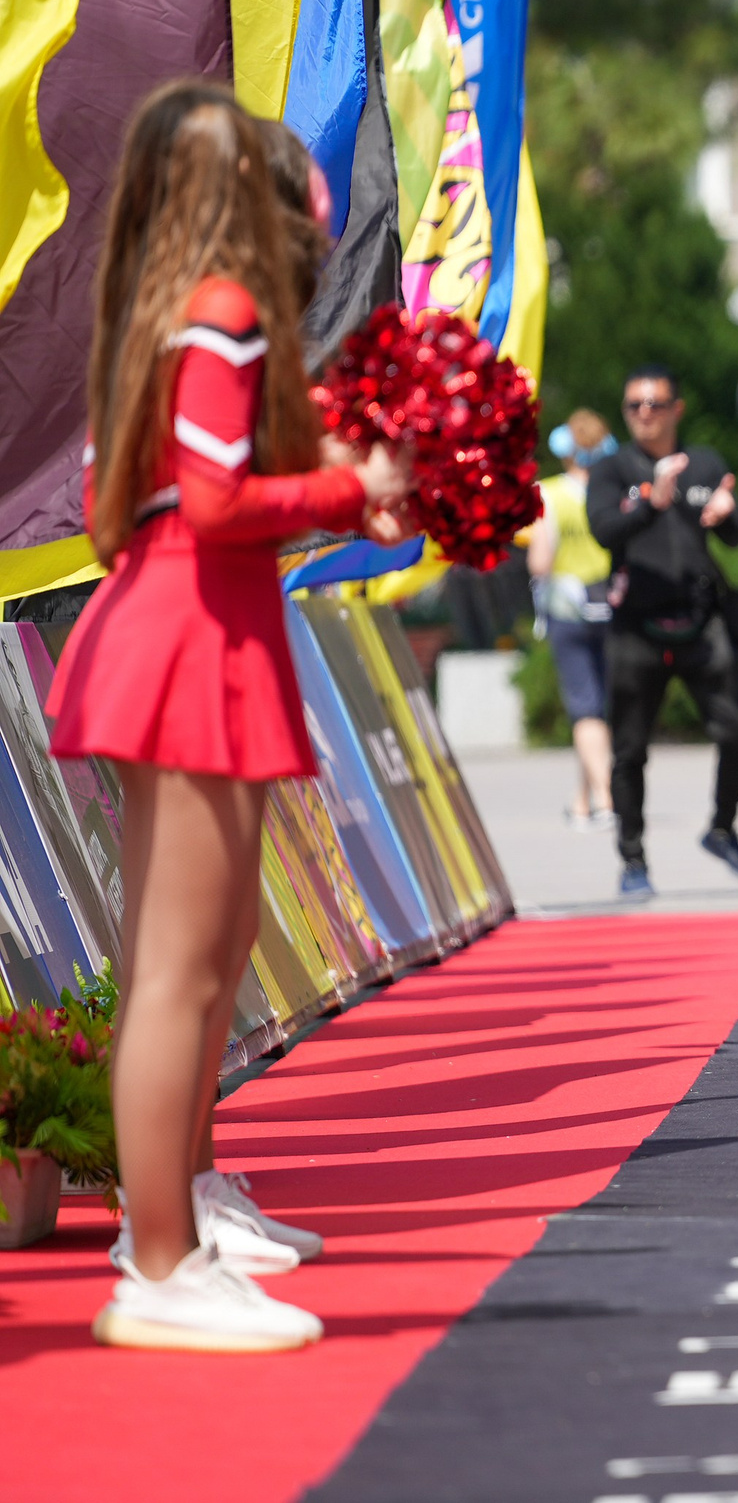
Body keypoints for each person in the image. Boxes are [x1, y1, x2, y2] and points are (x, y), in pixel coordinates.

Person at [47, 86, 410, 1349]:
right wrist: (344, 480)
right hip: (195, 636)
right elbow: (209, 501)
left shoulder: (157, 320)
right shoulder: (226, 312)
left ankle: (172, 1240)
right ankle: (159, 1266)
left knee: (189, 960)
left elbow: (153, 499)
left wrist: (320, 496)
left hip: (181, 625)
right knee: (182, 973)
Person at [588, 365, 738, 897]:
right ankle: (633, 860)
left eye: (655, 404)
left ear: (675, 409)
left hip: (699, 620)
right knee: (630, 750)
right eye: (635, 406)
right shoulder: (612, 471)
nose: (645, 414)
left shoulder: (703, 463)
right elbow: (603, 530)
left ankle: (722, 828)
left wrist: (728, 515)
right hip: (636, 624)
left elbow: (736, 535)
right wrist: (651, 503)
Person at [530, 411, 619, 827]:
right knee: (601, 705)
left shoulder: (548, 495)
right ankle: (581, 799)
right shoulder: (614, 493)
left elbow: (541, 560)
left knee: (585, 708)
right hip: (613, 605)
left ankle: (604, 798)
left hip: (569, 610)